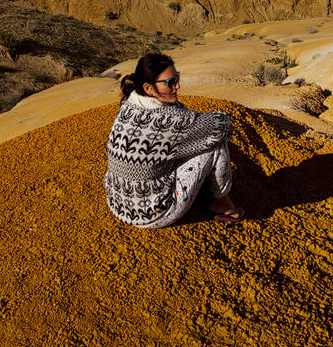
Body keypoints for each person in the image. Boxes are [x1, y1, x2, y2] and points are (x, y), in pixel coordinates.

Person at [104, 53, 245, 227]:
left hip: (118, 204)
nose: (178, 85)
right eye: (170, 82)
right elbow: (222, 125)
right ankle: (223, 206)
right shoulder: (170, 121)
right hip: (154, 213)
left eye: (177, 77)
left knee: (179, 146)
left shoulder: (127, 105)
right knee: (215, 142)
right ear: (148, 88)